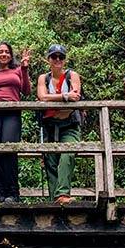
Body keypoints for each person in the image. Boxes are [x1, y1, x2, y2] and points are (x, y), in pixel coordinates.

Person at [0, 41, 31, 203]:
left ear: (11, 55)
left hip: (11, 113)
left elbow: (26, 91)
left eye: (7, 52)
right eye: (0, 52)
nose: (3, 54)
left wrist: (24, 68)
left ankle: (13, 192)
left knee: (9, 149)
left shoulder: (17, 70)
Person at [35, 44, 82, 205]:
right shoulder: (44, 78)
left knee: (68, 152)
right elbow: (41, 96)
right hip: (49, 125)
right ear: (48, 59)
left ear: (64, 59)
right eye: (54, 57)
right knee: (50, 159)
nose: (57, 60)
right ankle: (54, 199)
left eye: (60, 57)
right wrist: (64, 97)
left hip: (69, 125)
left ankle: (62, 194)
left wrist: (52, 99)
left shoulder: (72, 75)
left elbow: (76, 96)